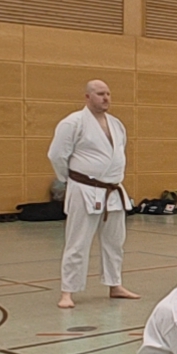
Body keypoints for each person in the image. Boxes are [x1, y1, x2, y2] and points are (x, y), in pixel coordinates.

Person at [49, 80, 136, 309]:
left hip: (113, 190)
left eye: (108, 93)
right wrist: (69, 179)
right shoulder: (73, 122)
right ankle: (68, 291)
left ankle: (114, 284)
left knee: (115, 242)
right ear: (87, 97)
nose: (105, 97)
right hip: (84, 188)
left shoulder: (116, 124)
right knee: (77, 242)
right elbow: (57, 155)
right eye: (100, 94)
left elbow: (119, 153)